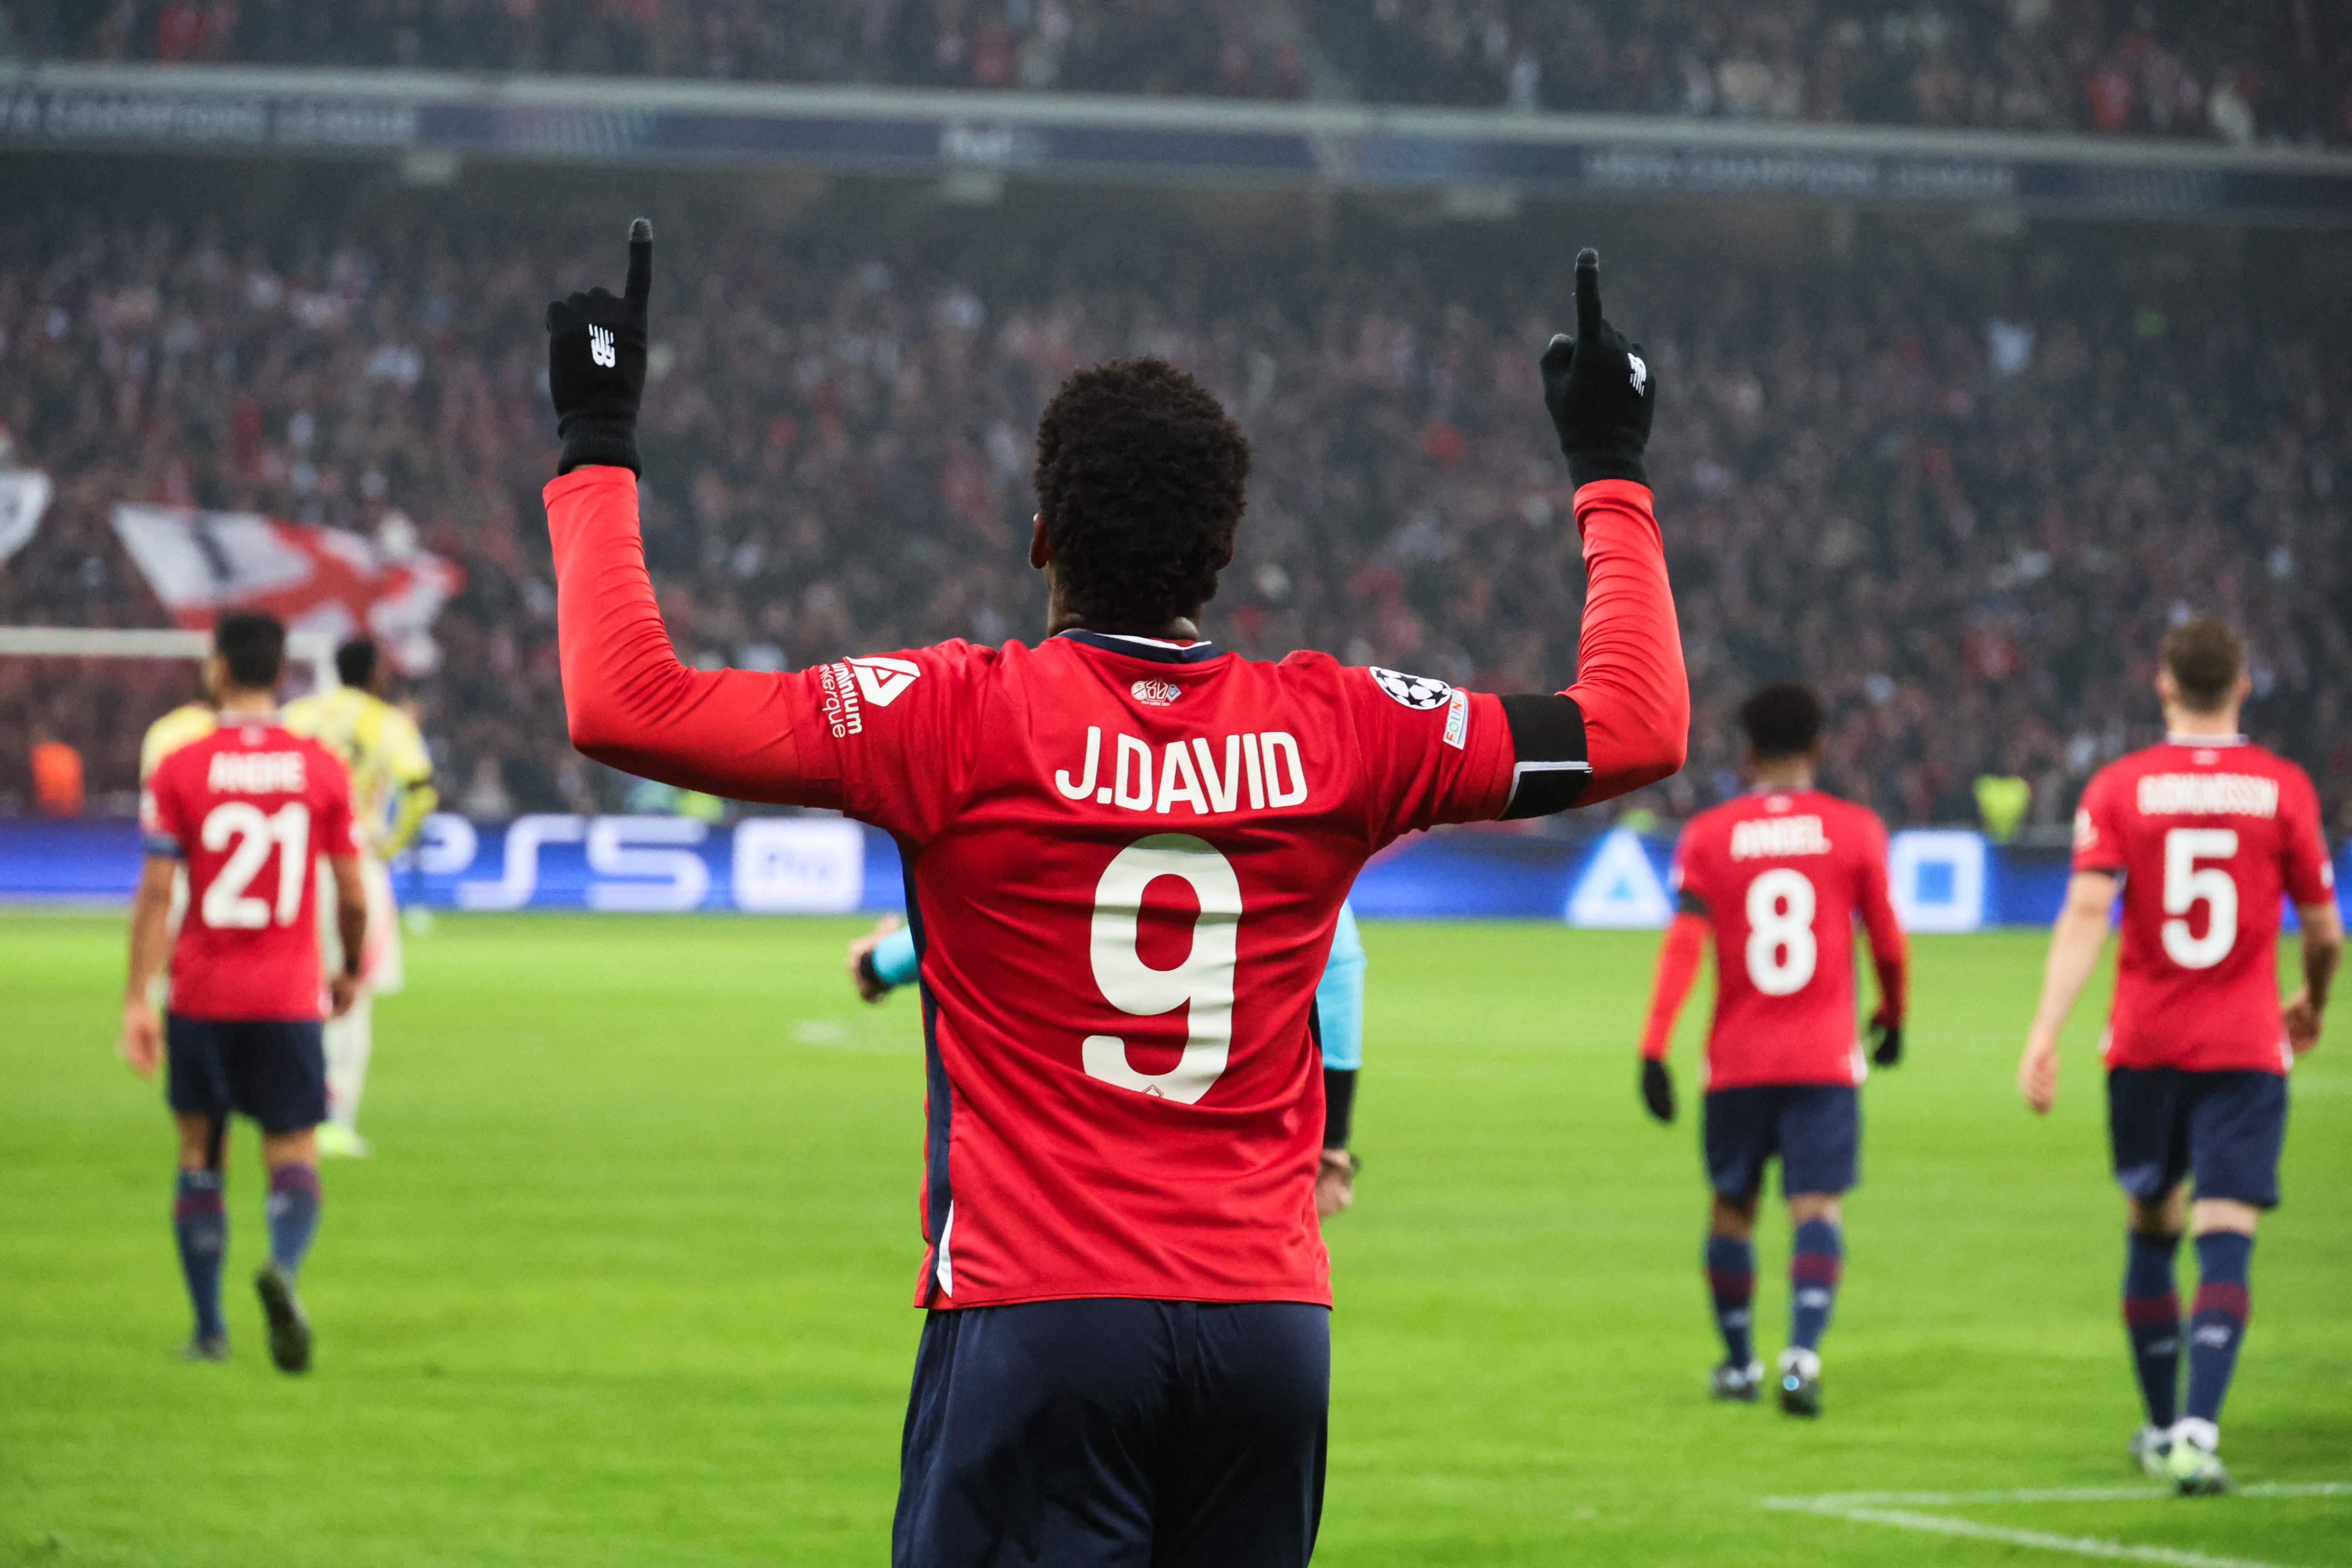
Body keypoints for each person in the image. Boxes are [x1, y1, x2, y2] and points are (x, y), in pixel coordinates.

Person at [540, 223, 1685, 1566]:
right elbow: (1635, 722)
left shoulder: (952, 718)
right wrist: (1610, 472)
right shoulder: (1346, 726)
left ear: (1040, 538)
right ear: (1219, 552)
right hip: (1267, 1331)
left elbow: (626, 702)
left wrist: (597, 434)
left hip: (1038, 1316)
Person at [2018, 616, 2340, 1494]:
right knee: (2227, 1232)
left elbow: (2087, 913)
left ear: (2165, 685)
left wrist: (2045, 1031)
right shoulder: (2283, 790)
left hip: (2147, 1045)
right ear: (2242, 686)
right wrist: (2314, 998)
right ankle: (2200, 1429)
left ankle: (2163, 1425)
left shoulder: (2123, 787)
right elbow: (2322, 928)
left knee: (2153, 1228)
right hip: (2244, 1045)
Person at [1634, 683, 1907, 1416]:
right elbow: (1885, 938)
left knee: (1731, 1207)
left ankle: (1736, 1363)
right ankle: (1801, 1355)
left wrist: (1652, 1047)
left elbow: (1682, 947)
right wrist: (1893, 1015)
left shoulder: (1709, 836)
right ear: (1819, 748)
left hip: (1737, 1061)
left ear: (1747, 753)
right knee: (1814, 1205)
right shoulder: (1853, 830)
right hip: (1822, 1059)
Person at [122, 612, 369, 1372]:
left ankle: (208, 1332)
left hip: (202, 993)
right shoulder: (321, 767)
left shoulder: (181, 766)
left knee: (201, 1152)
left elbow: (159, 892)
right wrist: (349, 966)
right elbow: (352, 893)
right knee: (293, 1148)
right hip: (289, 996)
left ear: (220, 668)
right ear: (282, 668)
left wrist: (138, 996)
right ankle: (284, 1271)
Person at [852, 900, 1372, 1218]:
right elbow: (1338, 952)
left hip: (1064, 1215)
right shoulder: (1276, 793)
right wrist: (1331, 1145)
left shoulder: (1059, 782)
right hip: (1246, 1231)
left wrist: (879, 963)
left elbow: (965, 909)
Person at [284, 638, 438, 1158]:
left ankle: (287, 1105)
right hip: (356, 863)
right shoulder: (390, 724)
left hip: (298, 865)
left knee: (293, 986)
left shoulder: (299, 716)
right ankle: (335, 1120)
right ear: (374, 673)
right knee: (353, 991)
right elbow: (422, 791)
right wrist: (391, 844)